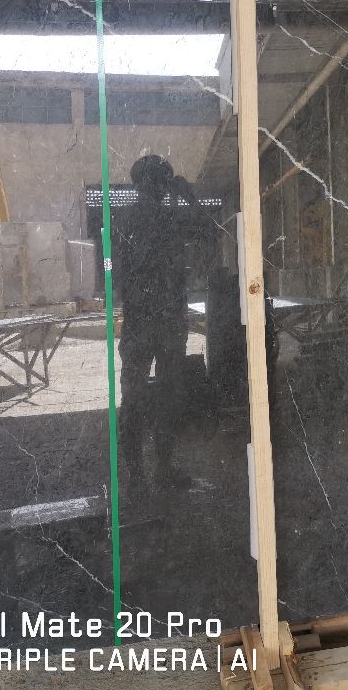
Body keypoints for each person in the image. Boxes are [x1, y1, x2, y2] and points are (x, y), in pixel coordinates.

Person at [112, 154, 211, 476]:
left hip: (142, 322)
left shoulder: (126, 218)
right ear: (160, 184)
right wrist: (187, 196)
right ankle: (162, 469)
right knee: (167, 395)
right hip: (164, 320)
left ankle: (138, 473)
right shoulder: (169, 217)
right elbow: (208, 230)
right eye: (162, 182)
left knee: (135, 396)